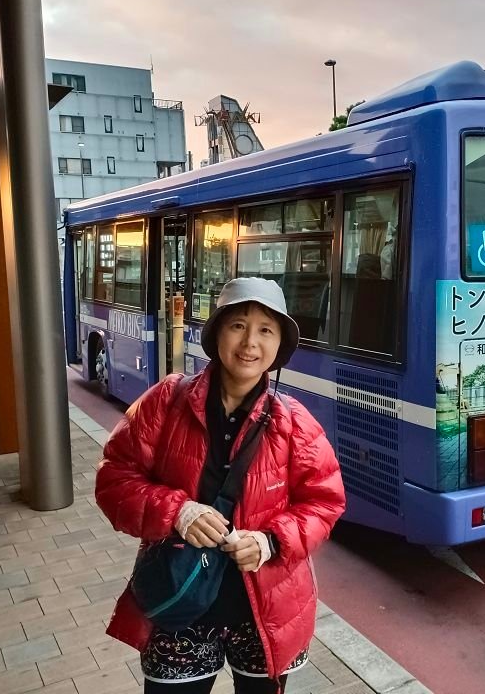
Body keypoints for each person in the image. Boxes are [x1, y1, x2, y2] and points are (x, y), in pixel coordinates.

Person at [95, 277, 345, 694]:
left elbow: (324, 502)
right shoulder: (166, 401)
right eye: (238, 325)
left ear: (279, 345)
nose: (250, 342)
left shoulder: (295, 422)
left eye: (266, 330)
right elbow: (113, 477)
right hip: (182, 606)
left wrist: (271, 541)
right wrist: (176, 512)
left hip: (266, 609)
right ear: (216, 334)